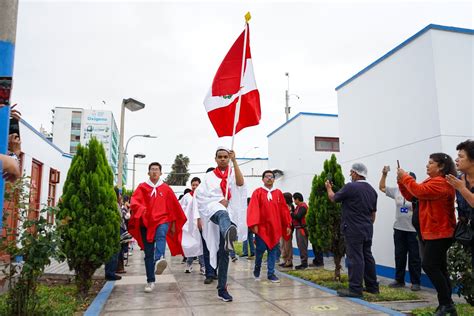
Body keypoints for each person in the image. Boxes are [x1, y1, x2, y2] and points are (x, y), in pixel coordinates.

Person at [398, 153, 457, 316]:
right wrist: (401, 181)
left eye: (430, 163)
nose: (427, 165)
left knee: (429, 265)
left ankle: (447, 304)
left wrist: (405, 177)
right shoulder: (432, 181)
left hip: (440, 232)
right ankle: (447, 304)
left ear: (441, 167)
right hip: (431, 232)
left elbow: (418, 190)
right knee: (440, 267)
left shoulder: (441, 183)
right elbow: (412, 195)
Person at [195, 147, 246, 302]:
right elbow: (201, 196)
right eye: (220, 157)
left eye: (226, 157)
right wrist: (218, 201)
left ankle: (222, 289)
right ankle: (228, 232)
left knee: (224, 255)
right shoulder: (209, 177)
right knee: (221, 213)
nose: (223, 159)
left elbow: (240, 183)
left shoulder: (232, 172)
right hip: (213, 210)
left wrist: (235, 161)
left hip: (229, 210)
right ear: (215, 159)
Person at [129, 162, 187, 293]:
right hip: (146, 223)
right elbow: (134, 202)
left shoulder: (166, 189)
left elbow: (174, 207)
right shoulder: (142, 187)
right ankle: (150, 281)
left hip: (162, 220)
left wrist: (172, 225)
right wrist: (142, 210)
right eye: (152, 169)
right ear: (148, 173)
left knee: (161, 234)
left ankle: (159, 259)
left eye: (157, 169)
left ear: (161, 173)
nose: (154, 171)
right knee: (148, 253)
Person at [325, 162, 379, 298]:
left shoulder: (351, 187)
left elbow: (333, 198)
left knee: (355, 258)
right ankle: (372, 287)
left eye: (351, 172)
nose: (350, 175)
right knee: (367, 256)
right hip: (367, 228)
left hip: (353, 229)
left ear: (356, 173)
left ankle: (355, 289)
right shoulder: (372, 190)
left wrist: (328, 188)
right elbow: (373, 214)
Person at [379, 166, 421, 291]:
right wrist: (384, 174)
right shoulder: (397, 190)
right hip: (399, 228)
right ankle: (399, 280)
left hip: (413, 230)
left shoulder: (417, 192)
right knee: (399, 255)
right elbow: (382, 187)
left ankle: (415, 282)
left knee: (414, 257)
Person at [248, 170, 292, 283]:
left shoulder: (278, 193)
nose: (269, 178)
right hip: (261, 228)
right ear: (262, 179)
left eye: (271, 177)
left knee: (272, 251)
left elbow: (284, 210)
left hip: (274, 228)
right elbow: (253, 209)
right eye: (267, 176)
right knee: (260, 251)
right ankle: (256, 270)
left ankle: (271, 273)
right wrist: (254, 225)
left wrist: (287, 224)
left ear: (274, 179)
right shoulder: (257, 193)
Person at [446, 140, 474, 274]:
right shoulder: (458, 178)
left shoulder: (459, 184)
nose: (457, 160)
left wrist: (462, 188)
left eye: (461, 157)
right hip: (469, 232)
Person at [181, 177, 205, 275]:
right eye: (193, 185)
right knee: (191, 244)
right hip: (190, 225)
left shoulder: (203, 197)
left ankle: (203, 266)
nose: (195, 187)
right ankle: (189, 264)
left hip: (200, 224)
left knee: (201, 246)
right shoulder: (187, 196)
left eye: (197, 185)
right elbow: (181, 208)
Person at [292, 192, 308, 270]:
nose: (294, 201)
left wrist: (291, 213)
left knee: (302, 246)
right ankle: (303, 262)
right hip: (298, 228)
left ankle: (304, 263)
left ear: (297, 199)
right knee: (300, 246)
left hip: (302, 229)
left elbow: (298, 216)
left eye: (294, 199)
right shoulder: (298, 206)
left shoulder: (303, 207)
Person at [279, 192, 294, 268]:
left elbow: (289, 219)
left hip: (287, 228)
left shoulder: (290, 207)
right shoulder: (283, 206)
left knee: (287, 245)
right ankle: (285, 260)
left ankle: (289, 261)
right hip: (282, 228)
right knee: (282, 245)